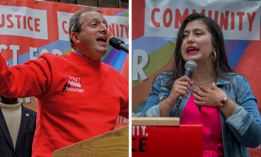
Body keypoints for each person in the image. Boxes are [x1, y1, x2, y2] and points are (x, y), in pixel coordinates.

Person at [0, 7, 129, 157]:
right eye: (94, 25)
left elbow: (141, 121)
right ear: (75, 37)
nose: (104, 29)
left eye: (106, 25)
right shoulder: (51, 66)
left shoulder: (116, 77)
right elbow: (8, 83)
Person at [140, 13, 261, 157]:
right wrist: (169, 101)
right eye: (184, 36)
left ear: (215, 45)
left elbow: (255, 138)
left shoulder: (237, 83)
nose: (189, 39)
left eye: (198, 34)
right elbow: (141, 132)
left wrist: (224, 102)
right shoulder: (166, 82)